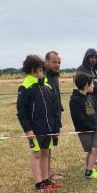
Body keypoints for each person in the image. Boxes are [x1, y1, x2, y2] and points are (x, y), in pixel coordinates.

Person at [16, 54, 62, 193]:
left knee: (46, 153)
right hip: (35, 130)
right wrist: (28, 130)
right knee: (36, 154)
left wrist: (56, 126)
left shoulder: (46, 85)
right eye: (37, 70)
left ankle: (46, 180)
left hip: (48, 128)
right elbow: (21, 112)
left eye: (41, 70)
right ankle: (39, 184)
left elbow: (54, 107)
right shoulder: (25, 87)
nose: (40, 73)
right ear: (31, 70)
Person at [69, 73, 97, 179]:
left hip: (94, 129)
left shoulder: (90, 97)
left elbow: (95, 112)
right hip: (84, 130)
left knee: (96, 150)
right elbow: (78, 118)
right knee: (91, 150)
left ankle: (90, 170)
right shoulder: (75, 100)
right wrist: (93, 128)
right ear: (86, 85)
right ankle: (89, 172)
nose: (93, 86)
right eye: (92, 84)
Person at [44, 51, 63, 182]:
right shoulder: (43, 77)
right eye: (54, 62)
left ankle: (48, 171)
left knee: (50, 145)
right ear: (46, 62)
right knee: (44, 147)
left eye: (59, 62)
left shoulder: (55, 76)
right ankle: (46, 174)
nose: (57, 65)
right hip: (46, 118)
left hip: (55, 116)